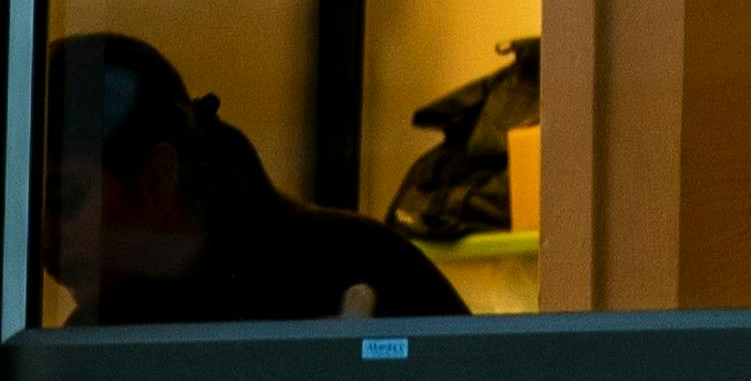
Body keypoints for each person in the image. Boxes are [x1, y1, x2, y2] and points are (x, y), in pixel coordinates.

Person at [41, 31, 469, 326]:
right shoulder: (103, 323)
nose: (43, 237)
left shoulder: (361, 264)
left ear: (157, 178)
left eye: (62, 199)